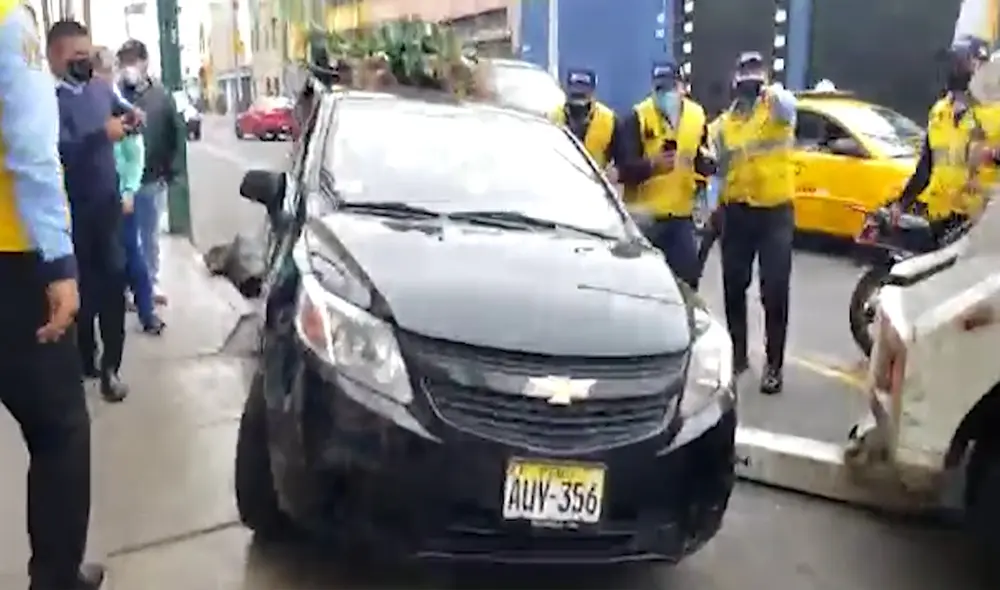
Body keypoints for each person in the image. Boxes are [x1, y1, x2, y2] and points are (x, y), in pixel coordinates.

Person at [0, 2, 105, 588]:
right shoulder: (7, 20)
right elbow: (31, 150)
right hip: (13, 260)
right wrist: (60, 265)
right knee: (60, 430)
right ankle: (57, 579)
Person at [49, 20, 130, 402]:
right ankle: (86, 358)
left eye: (88, 55)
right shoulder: (51, 105)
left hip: (108, 209)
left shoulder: (101, 89)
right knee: (83, 292)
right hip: (73, 215)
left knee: (114, 286)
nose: (85, 63)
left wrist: (131, 119)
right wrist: (102, 135)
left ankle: (112, 367)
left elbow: (122, 111)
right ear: (55, 58)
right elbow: (60, 151)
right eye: (76, 57)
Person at [712, 51, 797, 394]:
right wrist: (712, 210)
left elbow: (790, 105)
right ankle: (738, 356)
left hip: (775, 212)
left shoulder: (776, 109)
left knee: (774, 289)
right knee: (734, 286)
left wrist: (769, 88)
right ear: (735, 79)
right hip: (737, 212)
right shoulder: (721, 126)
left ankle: (774, 366)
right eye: (745, 73)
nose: (750, 79)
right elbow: (718, 171)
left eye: (755, 73)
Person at [616, 61, 716, 289]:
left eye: (670, 88)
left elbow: (699, 159)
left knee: (687, 283)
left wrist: (707, 169)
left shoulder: (696, 116)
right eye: (660, 89)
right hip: (645, 219)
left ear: (682, 88)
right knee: (641, 286)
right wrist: (652, 166)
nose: (666, 95)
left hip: (680, 216)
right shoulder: (637, 117)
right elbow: (623, 169)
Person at [892, 35, 1000, 243]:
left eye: (960, 63)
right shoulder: (940, 111)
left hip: (980, 224)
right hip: (940, 219)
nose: (953, 70)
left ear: (981, 68)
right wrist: (901, 203)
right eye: (952, 63)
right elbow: (926, 165)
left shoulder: (995, 113)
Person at [92, 46, 165, 335]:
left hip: (119, 197)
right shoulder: (84, 103)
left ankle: (147, 313)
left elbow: (135, 154)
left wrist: (128, 191)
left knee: (133, 257)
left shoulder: (119, 105)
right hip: (92, 196)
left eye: (106, 72)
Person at [117, 39, 181, 305]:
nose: (128, 67)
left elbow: (174, 133)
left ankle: (151, 283)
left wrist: (171, 171)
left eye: (133, 61)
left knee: (150, 236)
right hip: (122, 184)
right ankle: (129, 287)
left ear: (145, 63)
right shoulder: (115, 94)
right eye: (124, 62)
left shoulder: (161, 96)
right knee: (125, 239)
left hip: (153, 179)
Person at [549, 69, 616, 168]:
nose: (578, 96)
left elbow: (621, 160)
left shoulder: (609, 120)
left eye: (583, 93)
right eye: (575, 91)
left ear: (592, 93)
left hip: (592, 181)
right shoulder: (552, 117)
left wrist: (615, 172)